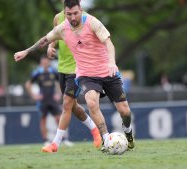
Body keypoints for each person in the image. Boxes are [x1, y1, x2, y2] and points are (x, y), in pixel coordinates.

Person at [14, 0, 134, 152]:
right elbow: (45, 39)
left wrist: (112, 62)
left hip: (107, 71)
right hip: (86, 74)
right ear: (65, 13)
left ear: (81, 10)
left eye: (76, 13)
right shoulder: (62, 28)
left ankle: (128, 131)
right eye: (69, 14)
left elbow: (109, 44)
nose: (73, 17)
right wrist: (26, 51)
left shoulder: (92, 22)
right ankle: (106, 139)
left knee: (124, 111)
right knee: (91, 102)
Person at [25, 57, 73, 146]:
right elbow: (28, 84)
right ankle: (45, 140)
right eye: (43, 62)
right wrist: (34, 96)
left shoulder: (53, 72)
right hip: (42, 100)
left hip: (52, 99)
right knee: (43, 119)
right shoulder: (37, 73)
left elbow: (60, 82)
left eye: (47, 62)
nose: (45, 64)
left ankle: (64, 139)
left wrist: (58, 93)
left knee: (59, 118)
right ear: (41, 63)